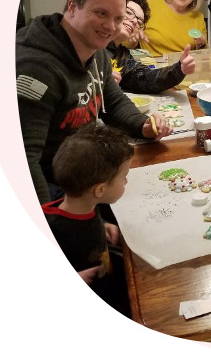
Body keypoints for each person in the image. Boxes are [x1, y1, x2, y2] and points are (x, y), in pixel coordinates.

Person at [16, 0, 171, 205]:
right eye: (101, 13)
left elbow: (114, 102)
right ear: (72, 7)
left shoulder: (96, 52)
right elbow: (23, 161)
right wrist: (59, 219)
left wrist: (143, 126)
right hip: (54, 187)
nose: (110, 26)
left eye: (118, 18)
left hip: (84, 173)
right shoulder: (36, 68)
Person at [42, 125, 133, 314]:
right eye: (124, 177)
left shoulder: (84, 205)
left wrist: (101, 225)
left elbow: (79, 224)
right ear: (100, 190)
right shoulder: (52, 229)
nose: (126, 182)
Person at [107, 0, 196, 93]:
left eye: (139, 22)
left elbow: (148, 79)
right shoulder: (95, 45)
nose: (134, 21)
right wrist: (99, 77)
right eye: (129, 13)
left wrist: (179, 69)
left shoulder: (123, 57)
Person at [139, 0, 207, 56]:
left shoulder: (198, 17)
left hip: (183, 63)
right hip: (151, 63)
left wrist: (201, 44)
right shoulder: (149, 6)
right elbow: (126, 41)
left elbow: (204, 55)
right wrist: (134, 34)